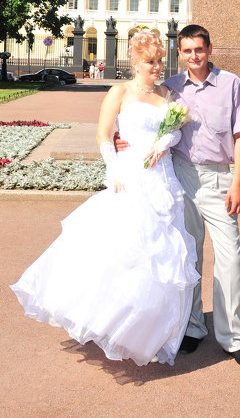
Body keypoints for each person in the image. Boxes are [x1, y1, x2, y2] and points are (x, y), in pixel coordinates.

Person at [10, 30, 199, 367]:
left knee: (161, 257)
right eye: (150, 62)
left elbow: (174, 129)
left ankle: (149, 330)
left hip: (163, 179)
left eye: (159, 61)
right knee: (124, 252)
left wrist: (165, 142)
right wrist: (114, 171)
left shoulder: (167, 95)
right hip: (129, 177)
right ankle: (115, 324)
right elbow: (102, 134)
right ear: (136, 63)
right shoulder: (120, 91)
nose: (157, 67)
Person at [115, 24, 240, 368]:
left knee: (230, 258)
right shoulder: (171, 88)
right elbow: (137, 110)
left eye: (199, 49)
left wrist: (237, 184)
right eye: (187, 51)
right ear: (181, 53)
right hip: (181, 179)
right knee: (188, 255)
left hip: (220, 179)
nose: (194, 56)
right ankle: (193, 328)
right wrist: (122, 139)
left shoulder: (231, 84)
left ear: (209, 49)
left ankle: (233, 338)